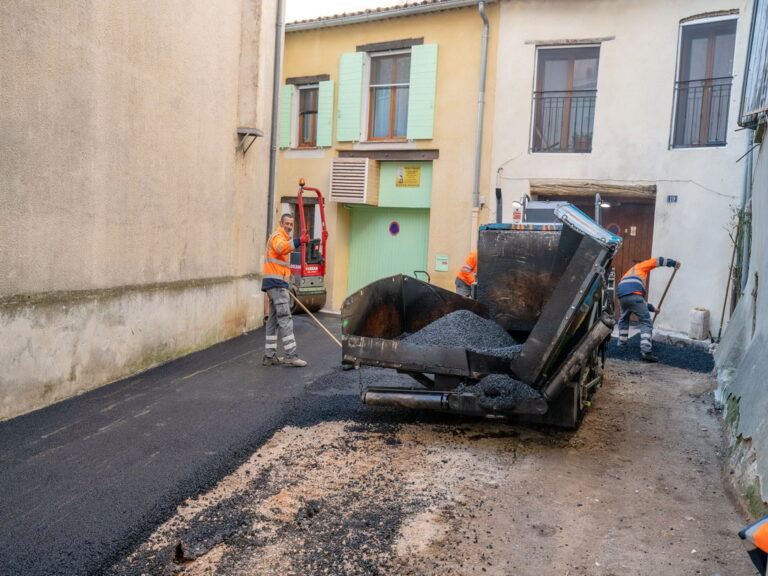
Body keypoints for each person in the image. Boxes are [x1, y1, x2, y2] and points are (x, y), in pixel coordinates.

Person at [261, 213, 309, 367]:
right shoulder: (278, 237)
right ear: (281, 223)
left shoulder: (282, 237)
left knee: (274, 319)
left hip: (276, 283)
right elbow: (281, 249)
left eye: (291, 224)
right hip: (276, 284)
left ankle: (269, 357)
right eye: (286, 223)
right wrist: (298, 241)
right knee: (285, 318)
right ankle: (291, 355)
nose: (289, 226)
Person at [616, 256, 681, 362]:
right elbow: (657, 261)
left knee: (623, 319)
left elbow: (638, 302)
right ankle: (646, 351)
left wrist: (653, 309)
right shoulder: (639, 267)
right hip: (635, 297)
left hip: (622, 296)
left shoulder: (627, 276)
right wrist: (673, 263)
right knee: (646, 322)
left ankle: (621, 345)